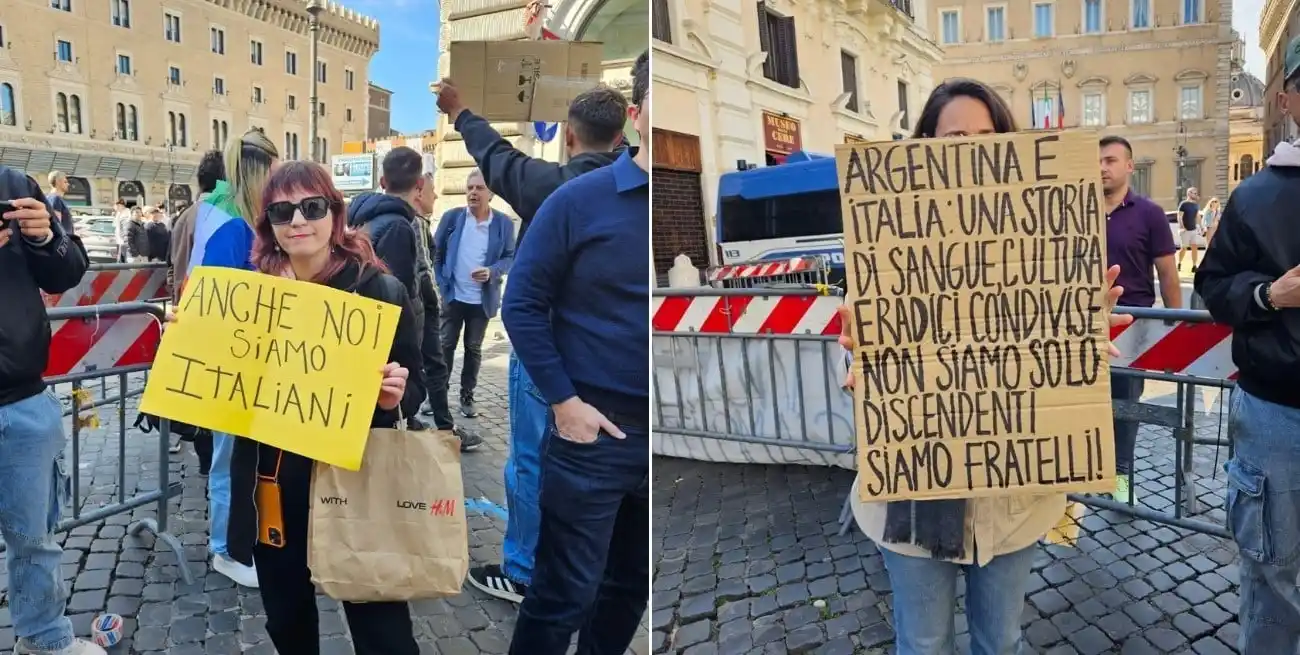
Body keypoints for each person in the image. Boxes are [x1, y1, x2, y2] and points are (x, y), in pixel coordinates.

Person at [837, 78, 1136, 655]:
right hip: (913, 496)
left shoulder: (1046, 250)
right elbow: (862, 344)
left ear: (1009, 147)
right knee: (923, 644)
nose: (969, 151)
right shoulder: (886, 249)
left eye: (984, 137)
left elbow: (1051, 353)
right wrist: (859, 368)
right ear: (923, 149)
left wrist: (1079, 342)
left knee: (1000, 642)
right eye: (953, 138)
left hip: (1013, 503)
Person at [201, 160, 422, 654]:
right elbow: (221, 393)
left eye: (312, 206)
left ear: (335, 215)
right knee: (286, 618)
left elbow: (416, 383)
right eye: (282, 211)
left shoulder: (378, 291)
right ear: (270, 226)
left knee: (381, 628)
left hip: (356, 481)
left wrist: (395, 394)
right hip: (274, 483)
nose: (298, 220)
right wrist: (192, 347)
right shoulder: (249, 296)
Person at [438, 64, 629, 606]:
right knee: (594, 467)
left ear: (569, 136)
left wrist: (458, 111)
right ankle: (582, 566)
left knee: (529, 460)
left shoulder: (557, 188)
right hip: (610, 365)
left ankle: (523, 569)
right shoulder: (630, 190)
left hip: (547, 360)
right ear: (622, 135)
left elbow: (497, 157)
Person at [503, 49, 649, 654]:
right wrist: (564, 402)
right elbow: (522, 305)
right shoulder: (577, 200)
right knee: (564, 594)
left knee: (628, 590)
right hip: (593, 431)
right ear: (637, 114)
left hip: (664, 441)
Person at [1194, 34, 1300, 653]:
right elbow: (1213, 285)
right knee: (1271, 572)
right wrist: (1269, 295)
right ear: (1287, 99)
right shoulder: (1254, 196)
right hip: (1275, 414)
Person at [0, 165, 105, 654]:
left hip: (23, 397)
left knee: (34, 536)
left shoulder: (14, 185)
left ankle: (43, 640)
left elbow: (69, 269)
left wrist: (46, 238)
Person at [187, 128, 278, 589]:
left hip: (252, 365)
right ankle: (225, 548)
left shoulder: (237, 222)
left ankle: (239, 538)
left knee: (241, 459)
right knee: (228, 460)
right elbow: (213, 306)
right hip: (231, 368)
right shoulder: (231, 228)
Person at [346, 147, 481, 451]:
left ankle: (436, 426)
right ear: (419, 185)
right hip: (399, 336)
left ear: (382, 180)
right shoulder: (396, 225)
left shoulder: (373, 219)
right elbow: (398, 291)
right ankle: (431, 430)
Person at [1098, 135, 1182, 504]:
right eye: (1098, 160)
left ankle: (1121, 484)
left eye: (1111, 160)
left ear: (1130, 166)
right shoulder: (1074, 210)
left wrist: (1176, 325)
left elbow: (1167, 273)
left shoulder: (1149, 214)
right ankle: (1072, 487)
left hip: (1133, 326)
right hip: (1082, 328)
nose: (1102, 166)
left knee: (1125, 413)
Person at [433, 168, 515, 419]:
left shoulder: (503, 223)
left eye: (479, 188)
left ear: (490, 193)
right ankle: (437, 397)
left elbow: (510, 257)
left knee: (473, 348)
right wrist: (441, 284)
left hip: (481, 299)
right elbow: (437, 254)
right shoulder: (452, 218)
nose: (473, 193)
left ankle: (467, 397)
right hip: (453, 296)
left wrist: (491, 271)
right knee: (445, 346)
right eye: (469, 188)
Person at [167, 150, 225, 476]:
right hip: (212, 318)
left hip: (186, 313)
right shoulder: (221, 214)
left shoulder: (185, 215)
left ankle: (206, 457)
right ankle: (211, 460)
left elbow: (172, 266)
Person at [411, 170, 458, 444]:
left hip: (415, 310)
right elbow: (425, 269)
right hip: (421, 311)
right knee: (434, 366)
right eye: (431, 190)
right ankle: (445, 429)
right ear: (418, 192)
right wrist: (438, 303)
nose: (436, 195)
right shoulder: (415, 223)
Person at [1176, 187, 1201, 271]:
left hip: (1193, 229)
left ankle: (1194, 266)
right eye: (1194, 193)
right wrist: (1182, 227)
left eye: (1196, 193)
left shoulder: (1196, 205)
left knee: (1194, 247)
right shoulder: (1183, 204)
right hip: (1185, 230)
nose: (1195, 194)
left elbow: (1197, 216)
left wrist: (1200, 227)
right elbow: (1179, 216)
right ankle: (1179, 263)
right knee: (1184, 248)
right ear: (1189, 193)